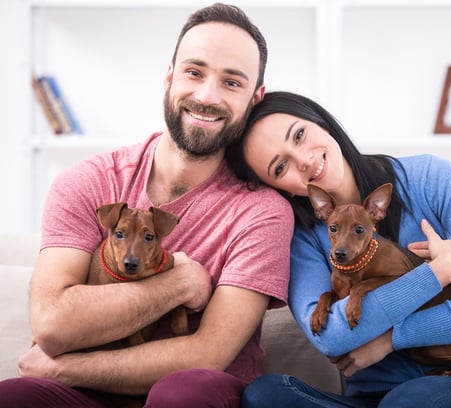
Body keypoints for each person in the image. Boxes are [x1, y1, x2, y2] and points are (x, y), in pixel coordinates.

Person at [0, 4, 293, 407]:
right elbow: (52, 326)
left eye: (231, 82)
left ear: (254, 98)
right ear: (169, 75)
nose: (207, 96)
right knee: (14, 396)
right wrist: (179, 283)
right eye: (194, 72)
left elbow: (208, 353)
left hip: (194, 395)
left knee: (184, 392)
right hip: (86, 398)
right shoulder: (88, 182)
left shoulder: (262, 212)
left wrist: (64, 368)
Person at [226, 91, 451, 408]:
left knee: (412, 401)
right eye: (280, 167)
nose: (303, 160)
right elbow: (330, 337)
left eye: (300, 135)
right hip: (369, 399)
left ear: (322, 121)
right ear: (278, 189)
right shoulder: (300, 237)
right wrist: (437, 273)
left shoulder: (432, 179)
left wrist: (391, 340)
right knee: (265, 395)